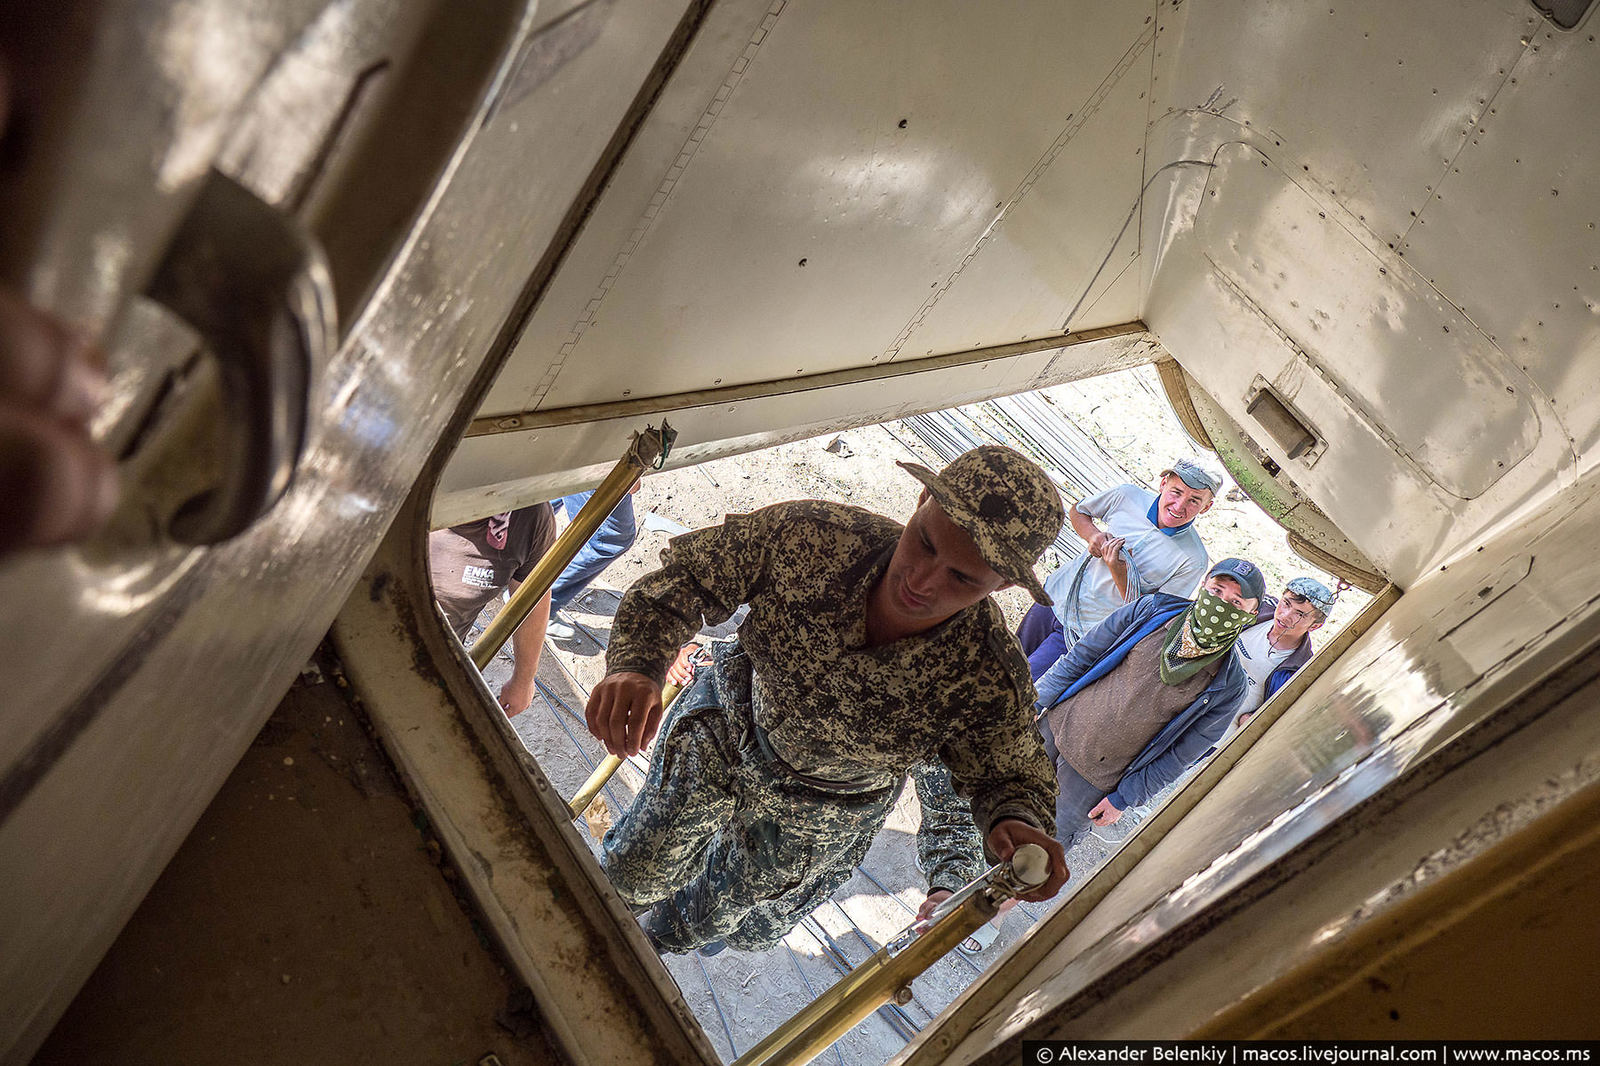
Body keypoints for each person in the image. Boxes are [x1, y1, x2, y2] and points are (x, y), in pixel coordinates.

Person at [584, 446, 1070, 954]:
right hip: (725, 725)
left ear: (1006, 583)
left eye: (963, 578)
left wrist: (1015, 821)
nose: (922, 581)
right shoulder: (814, 536)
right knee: (630, 873)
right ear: (922, 498)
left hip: (818, 815)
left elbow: (1009, 777)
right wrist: (637, 664)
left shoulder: (988, 675)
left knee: (700, 924)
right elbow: (686, 580)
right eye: (925, 543)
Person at [1033, 557, 1266, 850]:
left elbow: (1179, 757)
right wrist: (1035, 701)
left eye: (1235, 604)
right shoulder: (1153, 610)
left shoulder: (1227, 686)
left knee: (1038, 852)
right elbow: (1083, 654)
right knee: (990, 800)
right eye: (1217, 591)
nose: (1220, 605)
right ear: (1204, 583)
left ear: (1251, 614)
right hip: (1054, 727)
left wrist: (1124, 798)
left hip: (1094, 780)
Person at [1017, 459, 1222, 679]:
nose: (1179, 506)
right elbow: (1079, 511)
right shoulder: (1127, 496)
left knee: (1023, 680)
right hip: (1056, 596)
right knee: (1003, 657)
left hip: (1086, 634)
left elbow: (1152, 617)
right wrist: (1093, 536)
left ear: (1206, 507)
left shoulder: (1193, 559)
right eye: (1176, 492)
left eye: (1194, 500)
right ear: (1163, 483)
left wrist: (1120, 572)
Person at [429, 505, 557, 716]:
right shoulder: (404, 490)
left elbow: (533, 597)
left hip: (439, 661)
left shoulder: (529, 514)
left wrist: (523, 679)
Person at [1226, 576, 1334, 735]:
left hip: (1217, 739)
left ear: (1315, 626)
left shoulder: (1302, 670)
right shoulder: (1254, 610)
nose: (1285, 615)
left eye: (1300, 614)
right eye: (1286, 603)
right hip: (1185, 707)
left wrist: (1253, 720)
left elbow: (1283, 720)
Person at [545, 482, 641, 637]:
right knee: (612, 538)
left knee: (555, 486)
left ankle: (510, 564)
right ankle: (534, 603)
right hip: (605, 463)